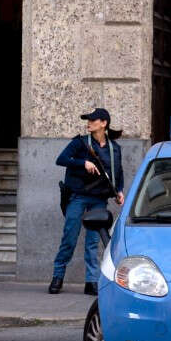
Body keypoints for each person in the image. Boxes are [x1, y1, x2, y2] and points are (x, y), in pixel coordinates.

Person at [49, 108, 124, 295]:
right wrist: (83, 163)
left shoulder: (115, 148)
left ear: (103, 123)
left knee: (92, 242)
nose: (88, 123)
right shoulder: (80, 143)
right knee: (69, 237)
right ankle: (57, 276)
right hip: (79, 195)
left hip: (99, 199)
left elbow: (117, 172)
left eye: (92, 120)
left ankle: (91, 281)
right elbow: (61, 159)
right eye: (88, 120)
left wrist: (119, 191)